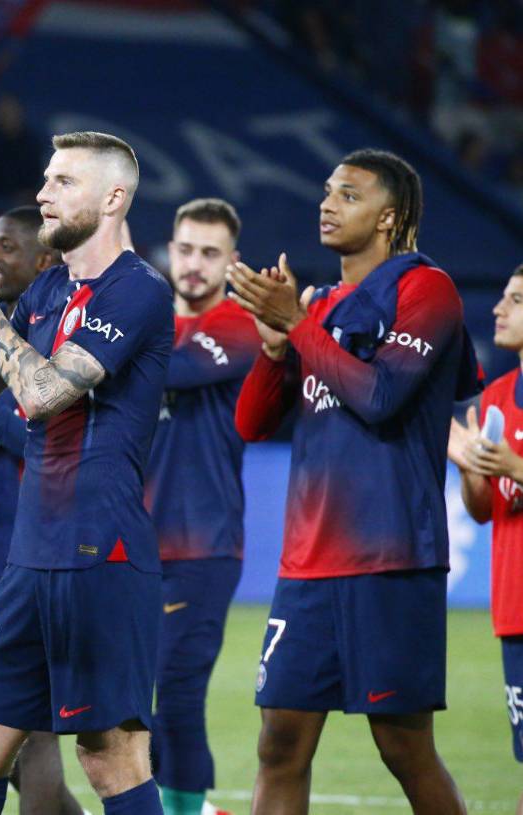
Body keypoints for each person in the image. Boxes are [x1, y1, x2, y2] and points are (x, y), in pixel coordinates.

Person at [228, 148, 475, 814]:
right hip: (307, 564)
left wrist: (299, 324)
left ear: (389, 217)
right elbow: (252, 423)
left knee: (402, 747)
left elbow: (381, 396)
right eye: (327, 191)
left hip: (389, 558)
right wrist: (278, 347)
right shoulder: (323, 304)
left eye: (348, 194)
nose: (327, 203)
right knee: (279, 743)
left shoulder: (426, 289)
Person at [0, 131, 174, 815]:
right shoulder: (45, 288)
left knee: (109, 757)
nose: (44, 191)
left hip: (100, 554)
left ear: (112, 198)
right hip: (29, 556)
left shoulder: (137, 291)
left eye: (63, 181)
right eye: (46, 178)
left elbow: (42, 394)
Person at [147, 199, 258, 815]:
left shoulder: (236, 326)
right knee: (132, 702)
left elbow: (177, 372)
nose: (193, 265)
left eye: (209, 254)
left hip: (202, 543)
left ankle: (187, 809)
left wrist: (109, 341)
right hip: (131, 542)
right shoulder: (152, 324)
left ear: (231, 262)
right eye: (185, 249)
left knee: (179, 696)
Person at [0, 205, 85, 815]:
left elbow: (43, 435)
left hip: (45, 550)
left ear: (45, 261)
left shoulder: (58, 341)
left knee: (29, 725)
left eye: (6, 247)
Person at [447, 263, 523, 815]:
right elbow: (483, 511)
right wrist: (474, 468)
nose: (498, 308)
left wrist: (517, 466)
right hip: (514, 608)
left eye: (515, 299)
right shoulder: (497, 395)